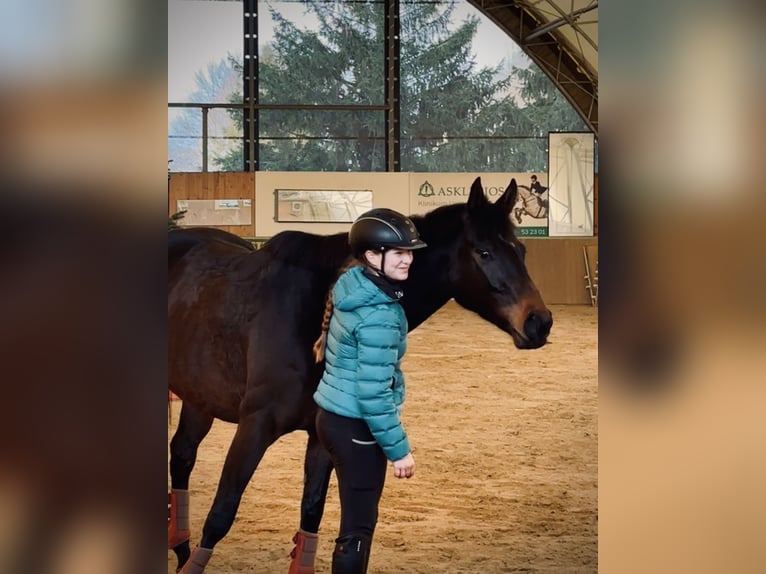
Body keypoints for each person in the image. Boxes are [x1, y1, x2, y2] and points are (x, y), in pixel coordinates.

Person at [312, 208, 426, 574]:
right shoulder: (378, 314)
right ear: (371, 256)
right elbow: (373, 394)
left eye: (410, 251)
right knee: (357, 529)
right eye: (399, 252)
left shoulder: (353, 285)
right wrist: (399, 450)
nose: (408, 258)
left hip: (331, 415)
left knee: (355, 521)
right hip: (356, 427)